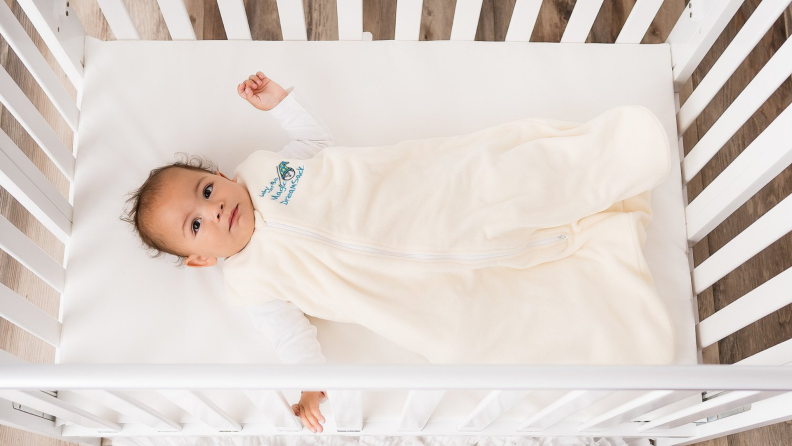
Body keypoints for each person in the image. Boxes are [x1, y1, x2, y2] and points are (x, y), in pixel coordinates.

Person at [121, 71, 677, 434]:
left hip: (416, 199)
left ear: (219, 176)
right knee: (471, 331)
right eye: (196, 225)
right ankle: (609, 295)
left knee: (496, 181)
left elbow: (318, 146)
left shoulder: (266, 168)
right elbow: (292, 335)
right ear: (200, 259)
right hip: (405, 291)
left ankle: (612, 165)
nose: (214, 210)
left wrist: (282, 105)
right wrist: (311, 386)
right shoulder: (248, 284)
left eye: (207, 191)